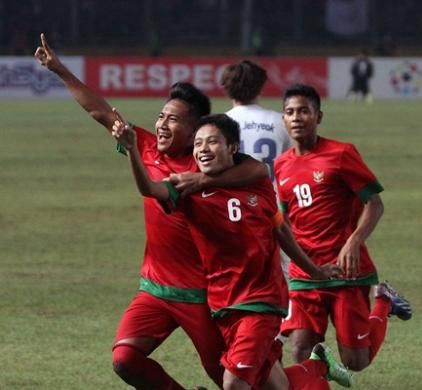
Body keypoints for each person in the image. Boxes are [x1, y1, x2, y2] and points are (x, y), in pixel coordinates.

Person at [35, 33, 267, 389]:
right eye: (161, 116)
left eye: (173, 120)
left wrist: (203, 181)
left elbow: (256, 170)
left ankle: (307, 374)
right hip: (155, 289)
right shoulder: (142, 146)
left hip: (201, 294)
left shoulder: (207, 159)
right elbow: (99, 110)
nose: (161, 124)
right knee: (124, 360)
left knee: (230, 380)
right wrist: (60, 70)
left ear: (194, 132)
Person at [112, 112, 352, 389]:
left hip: (262, 300)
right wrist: (131, 151)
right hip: (222, 305)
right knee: (272, 385)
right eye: (198, 144)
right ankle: (318, 365)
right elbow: (150, 189)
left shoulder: (254, 180)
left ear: (233, 148)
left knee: (233, 384)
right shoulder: (185, 187)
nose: (203, 149)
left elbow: (280, 229)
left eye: (212, 142)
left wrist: (314, 270)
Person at [275, 84, 412, 373]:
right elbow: (285, 221)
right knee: (300, 351)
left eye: (304, 111)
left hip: (346, 271)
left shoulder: (341, 154)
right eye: (290, 112)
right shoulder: (280, 165)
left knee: (355, 362)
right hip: (305, 273)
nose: (297, 118)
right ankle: (320, 370)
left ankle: (384, 302)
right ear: (283, 119)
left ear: (318, 116)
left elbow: (374, 203)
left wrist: (353, 241)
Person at [221, 59, 294, 277]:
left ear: (226, 88)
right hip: (273, 210)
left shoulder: (216, 124)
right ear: (261, 86)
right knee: (283, 275)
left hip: (230, 210)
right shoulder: (281, 122)